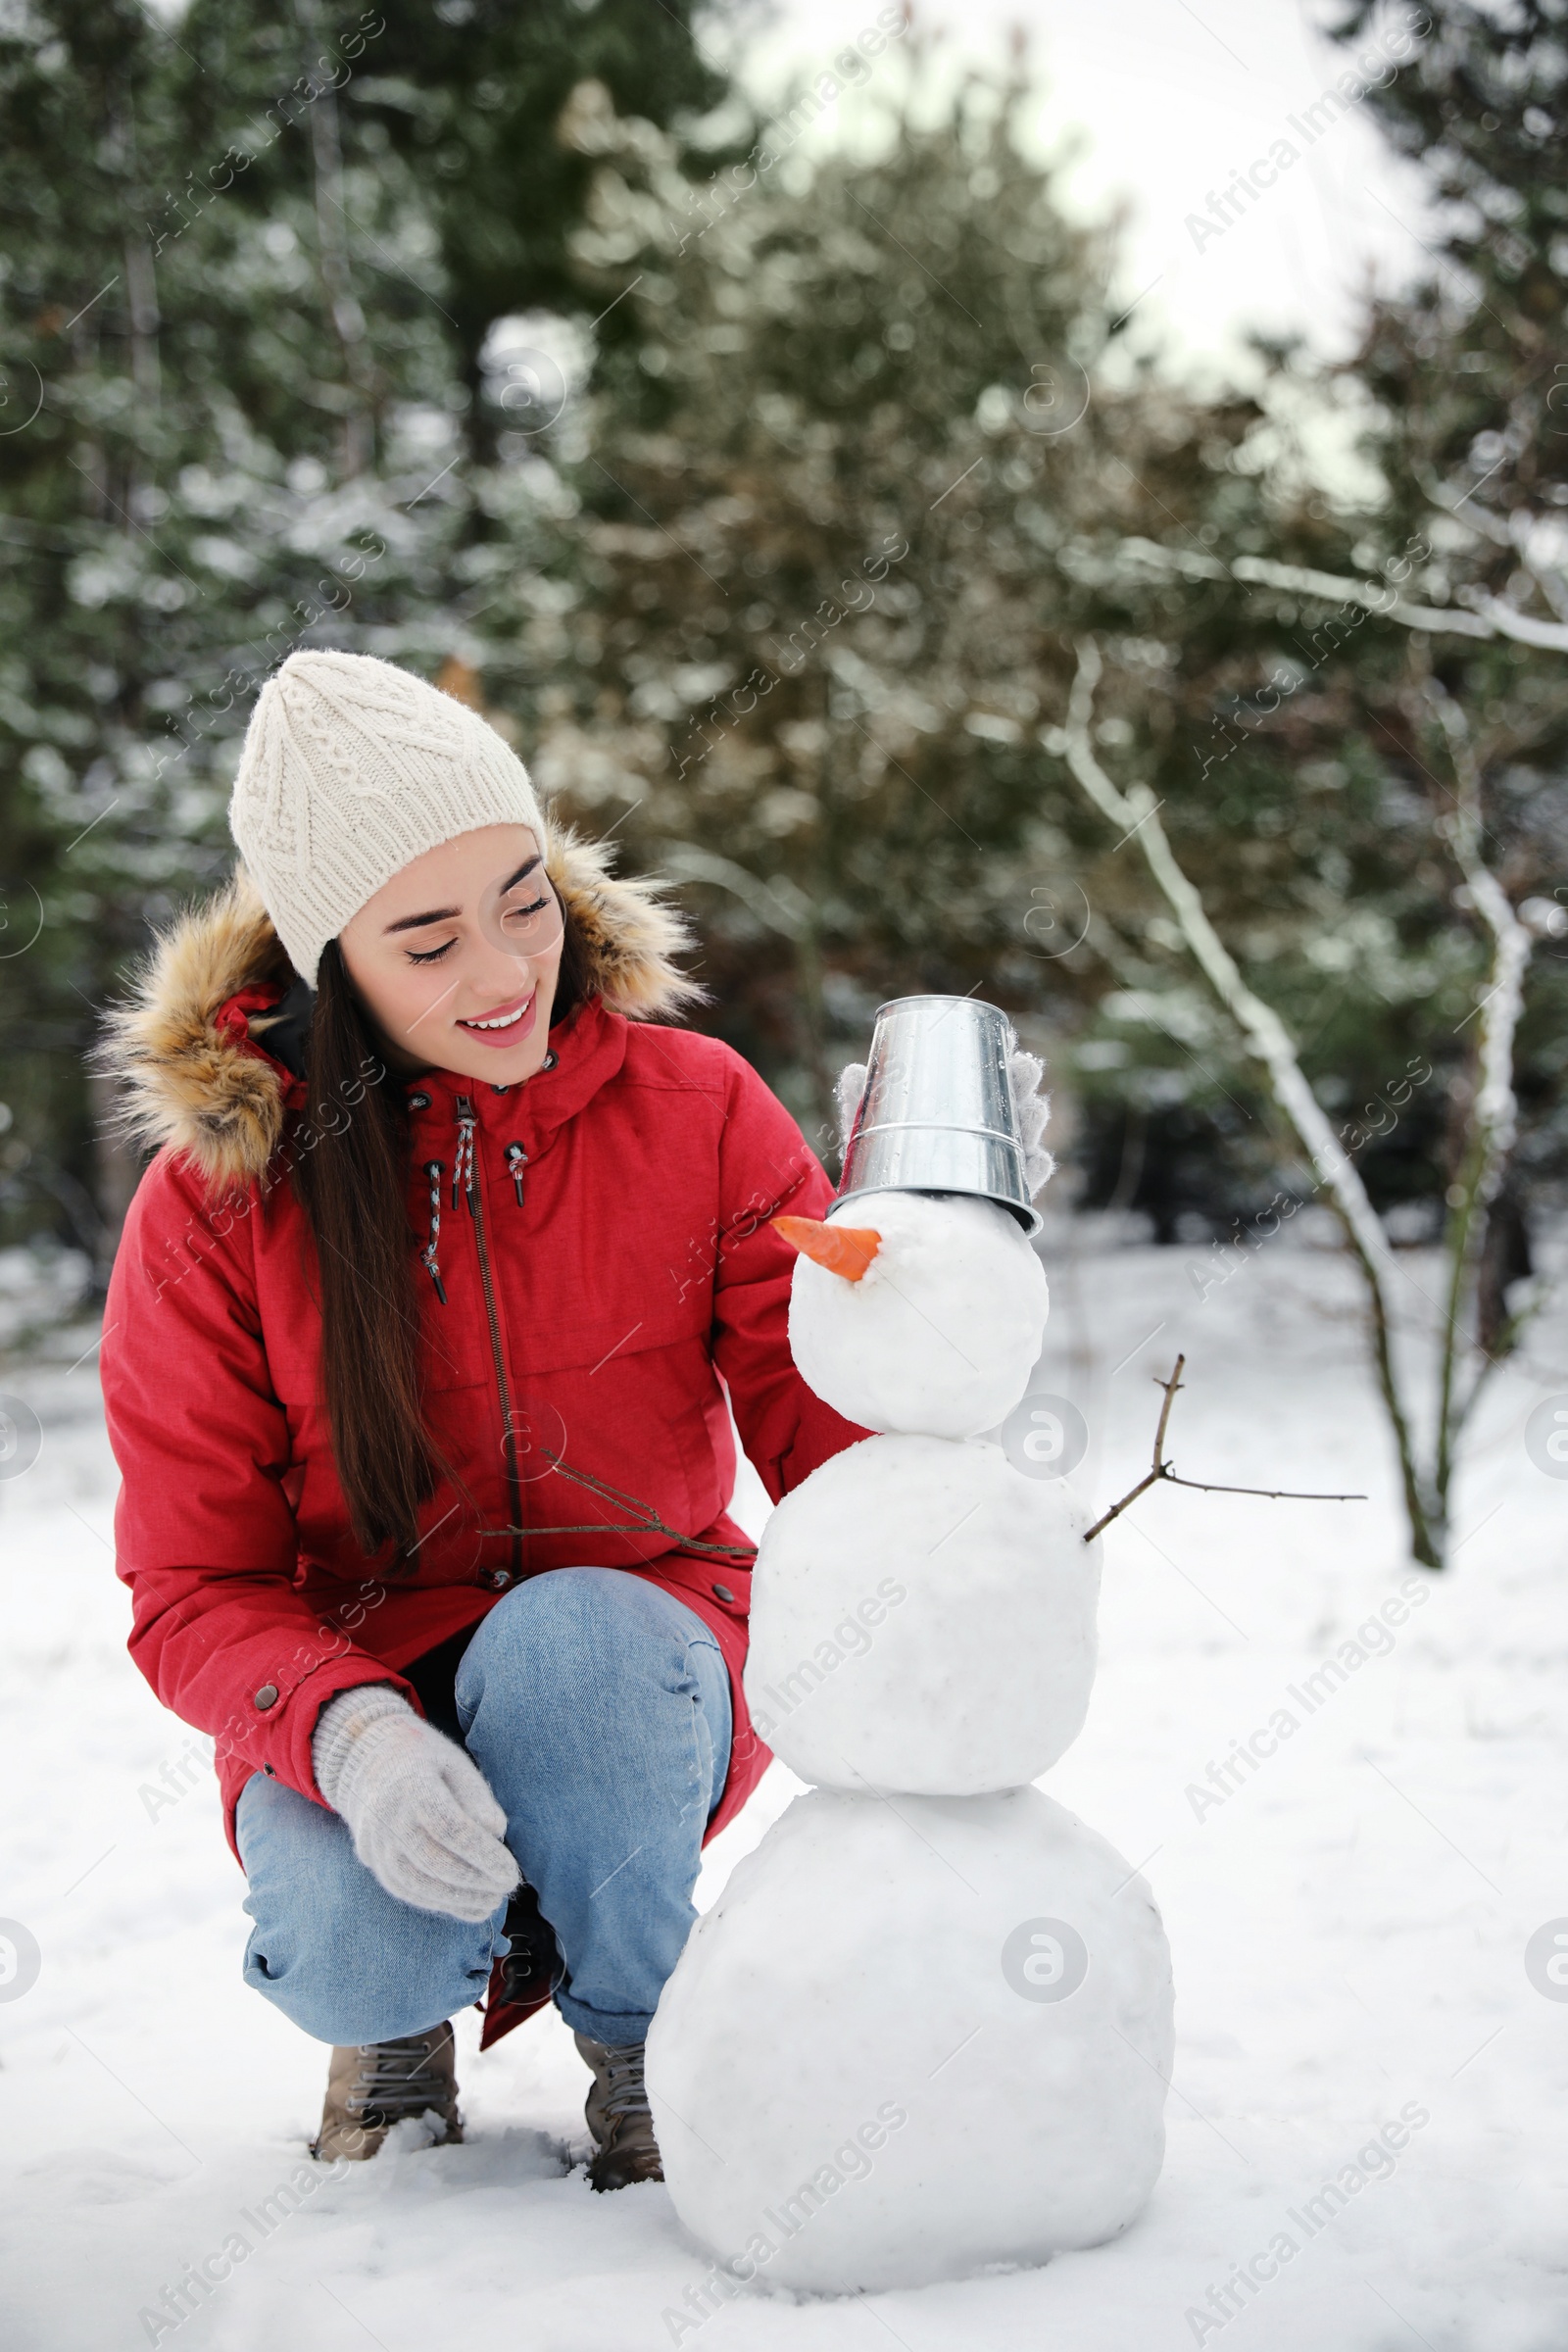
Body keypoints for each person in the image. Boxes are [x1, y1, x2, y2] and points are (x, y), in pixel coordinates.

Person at [99, 651, 863, 2184]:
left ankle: (652, 2039)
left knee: (576, 1647)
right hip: (356, 1681)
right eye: (429, 940)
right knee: (338, 1933)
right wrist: (349, 1730)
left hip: (642, 1656)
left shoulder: (698, 1107)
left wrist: (946, 1248)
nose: (507, 969)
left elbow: (842, 1432)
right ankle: (391, 2026)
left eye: (525, 898)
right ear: (333, 967)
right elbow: (193, 1587)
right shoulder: (218, 1205)